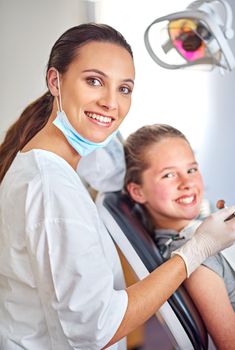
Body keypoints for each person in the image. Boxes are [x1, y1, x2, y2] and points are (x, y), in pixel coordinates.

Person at [0, 23, 235, 350]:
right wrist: (197, 249)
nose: (112, 103)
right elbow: (96, 329)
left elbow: (113, 173)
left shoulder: (51, 167)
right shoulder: (51, 187)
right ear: (55, 81)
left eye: (124, 88)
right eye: (94, 81)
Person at [124, 123, 235, 350]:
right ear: (138, 191)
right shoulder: (196, 252)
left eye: (192, 170)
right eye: (169, 175)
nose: (187, 184)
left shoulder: (201, 234)